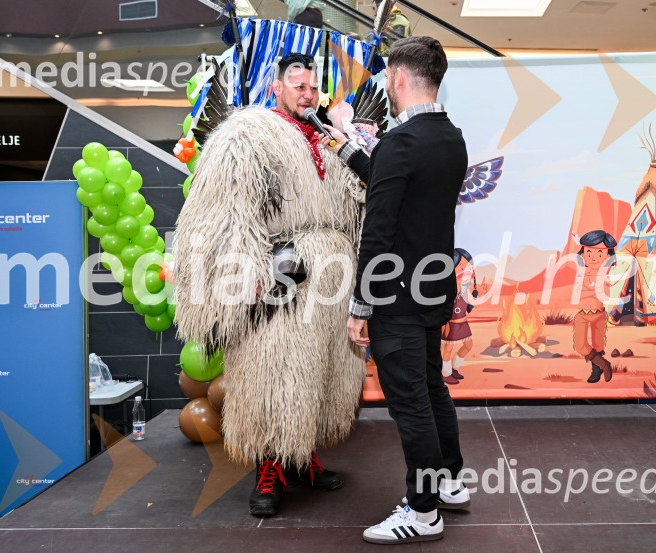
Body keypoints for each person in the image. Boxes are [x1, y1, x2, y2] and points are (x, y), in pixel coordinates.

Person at [174, 53, 367, 518]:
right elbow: (226, 210)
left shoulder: (334, 141)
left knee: (321, 373)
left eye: (312, 85)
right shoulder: (249, 136)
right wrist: (249, 273)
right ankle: (270, 466)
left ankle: (302, 457)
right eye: (296, 84)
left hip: (333, 277)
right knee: (273, 373)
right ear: (276, 88)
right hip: (283, 275)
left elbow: (361, 202)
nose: (307, 93)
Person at [322, 36, 469, 545]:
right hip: (433, 291)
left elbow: (378, 234)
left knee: (410, 403)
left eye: (386, 78)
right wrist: (350, 150)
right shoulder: (449, 137)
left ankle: (423, 509)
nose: (385, 86)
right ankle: (449, 480)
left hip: (398, 298)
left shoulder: (400, 145)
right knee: (431, 388)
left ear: (399, 78)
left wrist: (360, 306)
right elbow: (398, 182)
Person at [572, 230, 616, 383]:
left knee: (598, 346)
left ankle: (595, 372)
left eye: (600, 253)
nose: (593, 257)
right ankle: (604, 365)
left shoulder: (604, 271)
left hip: (599, 313)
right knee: (580, 346)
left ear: (608, 256)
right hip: (582, 313)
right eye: (589, 252)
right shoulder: (582, 269)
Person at [440, 248, 477, 385]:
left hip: (463, 321)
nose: (465, 270)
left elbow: (469, 303)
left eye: (467, 267)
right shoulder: (449, 287)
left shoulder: (465, 287)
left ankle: (454, 368)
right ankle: (446, 373)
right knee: (448, 348)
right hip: (451, 323)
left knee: (468, 344)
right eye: (461, 266)